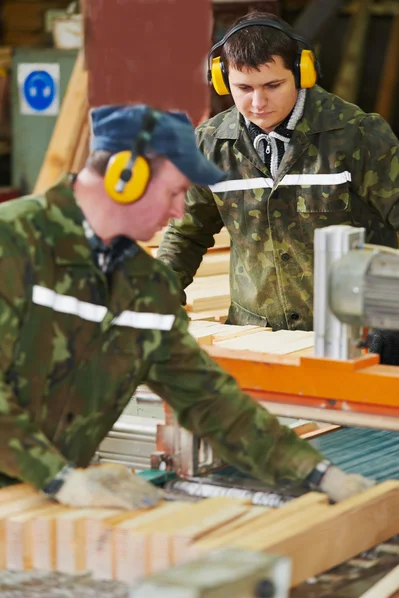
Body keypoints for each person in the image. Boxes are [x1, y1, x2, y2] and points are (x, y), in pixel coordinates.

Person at [0, 103, 371, 510]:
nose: (179, 210)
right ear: (127, 177)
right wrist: (58, 477)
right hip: (41, 485)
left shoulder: (143, 288)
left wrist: (317, 473)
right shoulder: (15, 242)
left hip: (33, 503)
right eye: (174, 192)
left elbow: (210, 399)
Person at [157, 11, 399, 364]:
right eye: (244, 88)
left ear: (302, 74)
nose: (258, 103)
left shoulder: (357, 136)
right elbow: (185, 235)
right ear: (223, 82)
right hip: (257, 341)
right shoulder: (210, 147)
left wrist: (391, 319)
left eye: (273, 86)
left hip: (357, 339)